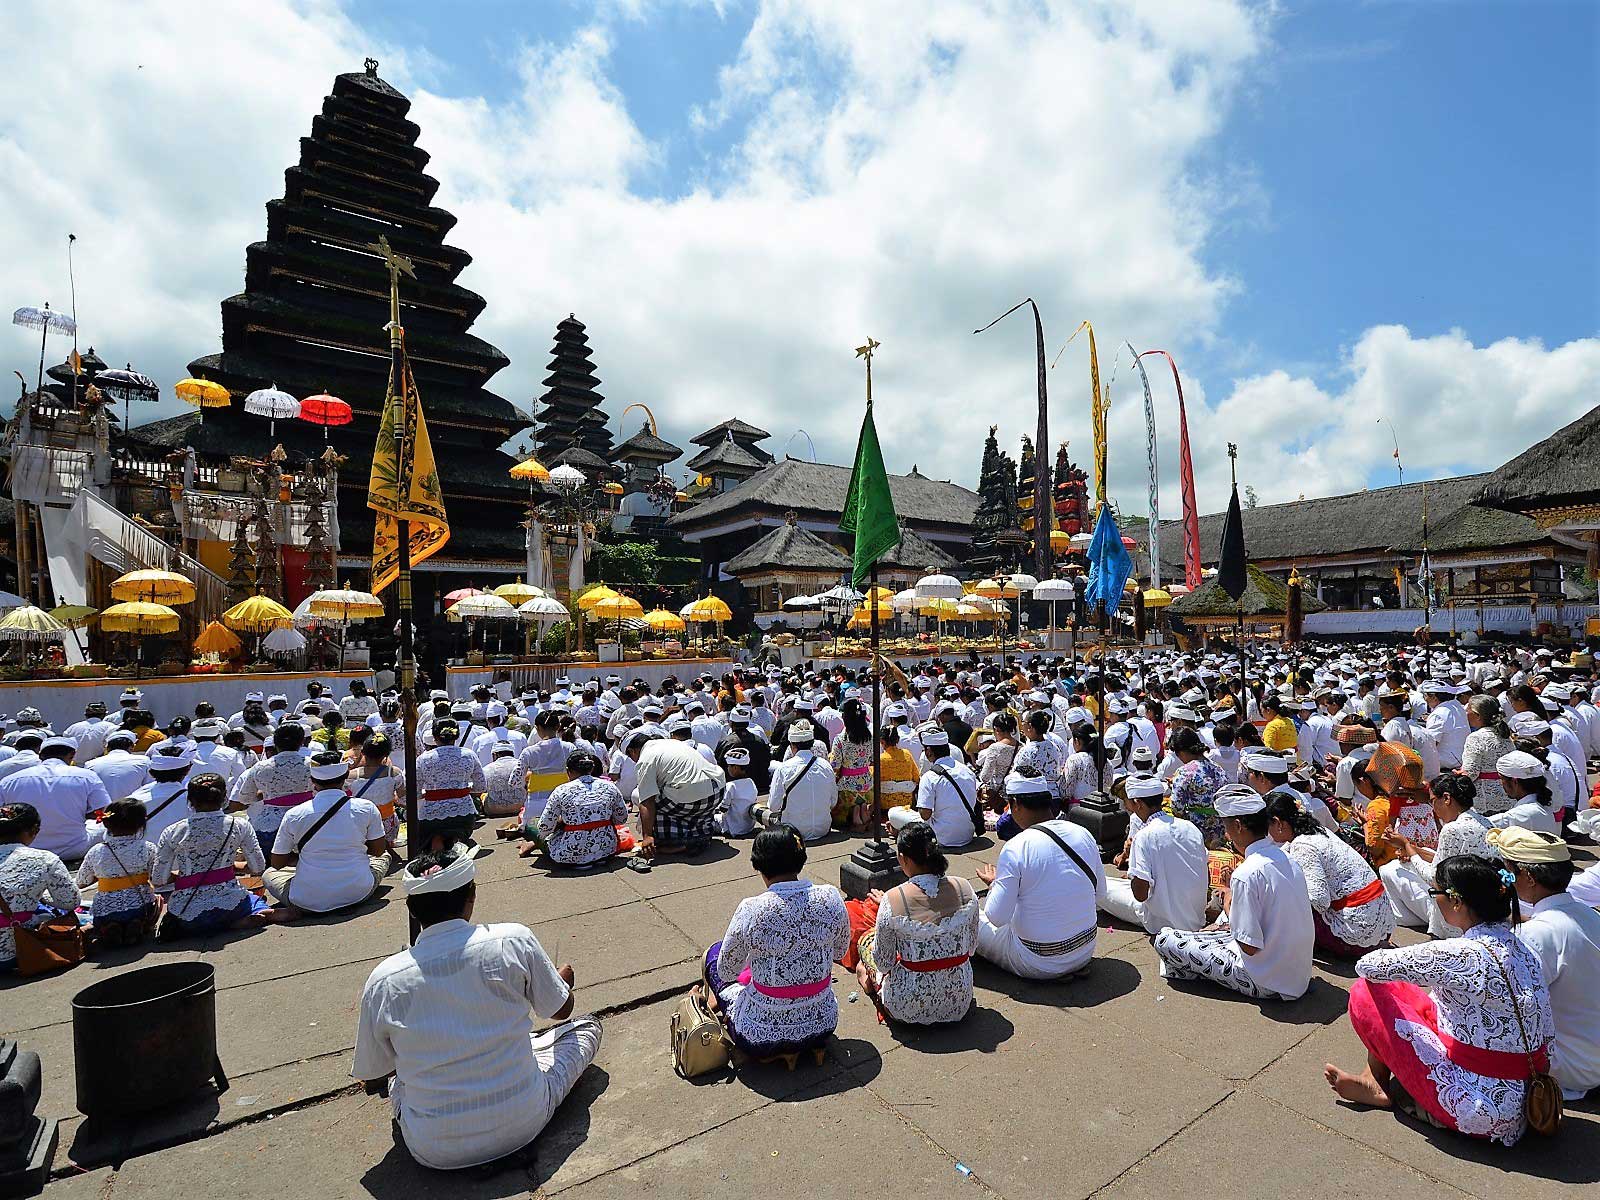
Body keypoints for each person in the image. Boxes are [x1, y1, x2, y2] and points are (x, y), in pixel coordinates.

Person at [353, 844, 600, 1172]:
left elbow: (374, 1073)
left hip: (433, 1150)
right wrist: (560, 981)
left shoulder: (383, 979)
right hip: (523, 1122)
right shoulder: (512, 940)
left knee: (400, 1078)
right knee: (587, 1027)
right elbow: (562, 1010)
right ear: (472, 895)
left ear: (412, 908)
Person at [1328, 855, 1556, 1147]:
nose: (1433, 898)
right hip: (1529, 1097)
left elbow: (1368, 966)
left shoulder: (1461, 953)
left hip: (1481, 1106)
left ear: (1457, 902)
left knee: (1365, 991)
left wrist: (1423, 961)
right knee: (1409, 992)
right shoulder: (1525, 950)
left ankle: (1380, 1082)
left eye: (1435, 892)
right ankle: (1374, 1077)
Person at [1152, 786, 1315, 1000]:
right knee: (1204, 935)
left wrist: (1229, 902)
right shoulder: (1288, 858)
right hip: (1296, 975)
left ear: (1238, 826)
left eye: (1226, 827)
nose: (1226, 834)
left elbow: (1249, 946)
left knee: (1165, 938)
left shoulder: (1247, 873)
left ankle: (1190, 969)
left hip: (1265, 981)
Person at [703, 825, 850, 1061]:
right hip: (823, 1023)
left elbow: (727, 971)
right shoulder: (831, 896)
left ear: (757, 865)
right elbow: (840, 951)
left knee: (714, 955)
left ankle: (717, 1004)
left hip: (762, 1035)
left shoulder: (751, 909)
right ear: (801, 858)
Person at [1495, 827, 1600, 1100]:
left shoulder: (1538, 933)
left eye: (1509, 872)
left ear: (1528, 877)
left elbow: (1509, 1004)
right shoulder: (1587, 914)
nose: (1507, 880)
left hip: (1576, 1067)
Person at [975, 775, 1104, 980]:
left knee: (969, 917)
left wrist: (995, 887)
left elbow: (996, 917)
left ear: (1015, 804)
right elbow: (1101, 894)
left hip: (1035, 962)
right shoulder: (1083, 833)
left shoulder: (1016, 847)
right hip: (1084, 951)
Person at [855, 821, 979, 1026]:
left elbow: (884, 963)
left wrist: (888, 907)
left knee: (866, 941)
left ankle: (868, 979)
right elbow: (972, 948)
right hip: (958, 999)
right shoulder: (964, 888)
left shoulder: (894, 899)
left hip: (908, 1004)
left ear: (902, 859)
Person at [1264, 790, 1393, 959]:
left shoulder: (1303, 845)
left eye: (1266, 826)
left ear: (1278, 823)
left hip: (1358, 936)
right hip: (1383, 924)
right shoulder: (1318, 830)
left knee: (1284, 901)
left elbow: (1319, 900)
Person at [264, 752, 389, 917]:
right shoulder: (366, 807)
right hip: (358, 892)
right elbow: (378, 851)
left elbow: (277, 863)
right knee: (385, 856)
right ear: (345, 776)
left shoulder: (294, 814)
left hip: (306, 900)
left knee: (269, 874)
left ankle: (301, 907)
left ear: (313, 781)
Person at [153, 773, 275, 936]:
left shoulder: (172, 831)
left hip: (187, 910)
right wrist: (228, 869)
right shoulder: (239, 825)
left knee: (184, 920)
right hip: (232, 904)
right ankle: (237, 921)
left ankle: (213, 926)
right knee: (255, 902)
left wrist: (186, 876)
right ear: (224, 797)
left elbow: (159, 880)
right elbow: (258, 867)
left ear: (190, 801)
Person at [1380, 771, 1498, 936]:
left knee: (1390, 870)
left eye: (1433, 801)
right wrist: (1410, 848)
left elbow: (1434, 878)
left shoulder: (1452, 829)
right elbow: (1447, 858)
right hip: (1483, 901)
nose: (1432, 807)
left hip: (1462, 909)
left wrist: (1406, 845)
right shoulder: (1485, 821)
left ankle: (1420, 920)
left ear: (1447, 799)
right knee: (1400, 864)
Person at [1100, 776, 1208, 936]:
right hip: (1196, 917)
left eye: (1127, 801)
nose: (1126, 806)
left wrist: (1136, 875)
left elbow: (1140, 895)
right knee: (1111, 882)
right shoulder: (1189, 827)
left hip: (1162, 921)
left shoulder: (1145, 835)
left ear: (1138, 803)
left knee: (1097, 886)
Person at [0, 736, 110, 862]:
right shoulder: (87, 776)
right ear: (72, 754)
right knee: (102, 824)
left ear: (40, 755)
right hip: (74, 849)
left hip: (27, 848)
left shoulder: (10, 780)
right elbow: (102, 812)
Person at [0, 802, 80, 971]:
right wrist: (41, 896)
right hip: (19, 951)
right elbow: (70, 901)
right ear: (34, 829)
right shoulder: (44, 858)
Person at [631, 727, 727, 865]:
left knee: (646, 798)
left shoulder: (645, 759)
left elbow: (647, 802)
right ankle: (700, 835)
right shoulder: (672, 743)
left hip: (694, 800)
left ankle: (670, 842)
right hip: (717, 793)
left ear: (632, 751)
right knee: (672, 791)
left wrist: (647, 836)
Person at [76, 798, 161, 948]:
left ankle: (108, 927)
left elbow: (82, 881)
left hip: (106, 910)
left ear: (107, 823)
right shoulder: (147, 848)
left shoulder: (96, 851)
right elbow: (157, 878)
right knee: (158, 900)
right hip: (140, 905)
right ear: (141, 825)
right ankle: (139, 923)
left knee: (100, 915)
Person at [230, 723, 316, 859]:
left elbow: (245, 798)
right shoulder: (312, 764)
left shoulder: (259, 767)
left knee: (270, 867)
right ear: (302, 742)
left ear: (275, 743)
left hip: (270, 826)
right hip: (309, 820)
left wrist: (265, 795)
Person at [533, 750, 629, 867]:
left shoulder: (561, 790)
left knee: (531, 827)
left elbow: (544, 827)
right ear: (591, 769)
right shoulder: (610, 786)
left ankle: (530, 844)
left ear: (568, 771)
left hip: (571, 854)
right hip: (607, 850)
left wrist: (563, 823)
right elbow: (622, 818)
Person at [1355, 742, 1438, 874]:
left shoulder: (1387, 801)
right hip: (1430, 844)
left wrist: (1372, 826)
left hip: (1403, 852)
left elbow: (1375, 845)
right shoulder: (1427, 791)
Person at [893, 726, 980, 848]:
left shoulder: (930, 776)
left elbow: (925, 814)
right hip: (967, 835)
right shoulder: (967, 770)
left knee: (894, 813)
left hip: (941, 837)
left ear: (928, 752)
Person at [413, 720, 486, 851]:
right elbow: (481, 786)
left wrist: (429, 793)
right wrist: (463, 790)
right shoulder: (468, 755)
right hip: (464, 814)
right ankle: (456, 842)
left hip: (432, 815)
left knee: (430, 838)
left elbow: (415, 792)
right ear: (456, 736)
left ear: (434, 737)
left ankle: (437, 843)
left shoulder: (423, 759)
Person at [764, 721, 834, 842]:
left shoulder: (783, 768)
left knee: (759, 812)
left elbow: (773, 806)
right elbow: (833, 801)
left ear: (792, 745)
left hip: (792, 832)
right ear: (812, 743)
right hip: (823, 828)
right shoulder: (826, 766)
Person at [1168, 728, 1226, 847]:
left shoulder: (1185, 772)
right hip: (1220, 829)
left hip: (1196, 831)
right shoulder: (1218, 768)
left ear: (1182, 752)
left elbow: (1176, 808)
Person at [1461, 695, 1515, 816]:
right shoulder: (1505, 736)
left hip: (1485, 797)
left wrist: (1459, 776)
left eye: (1468, 708)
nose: (1465, 711)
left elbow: (1470, 772)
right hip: (1507, 793)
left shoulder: (1476, 737)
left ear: (1478, 715)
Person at [828, 698, 875, 831]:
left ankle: (855, 815)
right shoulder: (869, 737)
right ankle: (861, 810)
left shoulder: (841, 739)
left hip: (847, 785)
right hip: (867, 782)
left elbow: (835, 765)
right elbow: (871, 759)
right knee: (861, 798)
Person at [1489, 749, 1561, 835]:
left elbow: (1477, 827)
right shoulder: (1544, 805)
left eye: (1502, 779)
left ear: (1514, 782)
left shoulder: (1521, 815)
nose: (1501, 783)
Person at [84, 729, 150, 803]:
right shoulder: (144, 761)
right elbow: (148, 788)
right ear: (132, 747)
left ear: (107, 748)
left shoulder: (90, 764)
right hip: (133, 809)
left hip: (102, 811)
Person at [715, 746, 760, 838]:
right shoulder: (751, 782)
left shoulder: (731, 785)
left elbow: (723, 809)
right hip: (748, 827)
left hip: (733, 828)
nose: (728, 769)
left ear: (735, 768)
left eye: (729, 766)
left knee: (708, 819)